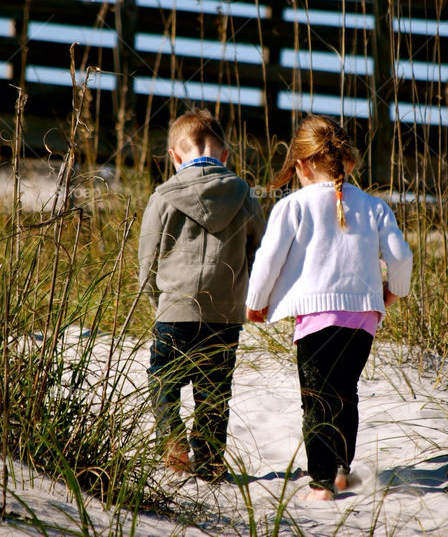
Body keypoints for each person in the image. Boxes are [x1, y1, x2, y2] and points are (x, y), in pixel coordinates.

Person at [245, 116, 412, 500]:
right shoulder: (374, 206)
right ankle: (341, 471)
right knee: (344, 393)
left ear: (301, 165)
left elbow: (268, 260)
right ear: (346, 163)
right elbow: (401, 257)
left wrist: (256, 304)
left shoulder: (292, 206)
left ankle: (322, 482)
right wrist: (392, 292)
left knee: (317, 399)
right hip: (364, 319)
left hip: (317, 320)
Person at [138, 108, 265, 481]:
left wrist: (156, 302)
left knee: (163, 377)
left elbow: (148, 260)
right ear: (225, 155)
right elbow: (262, 252)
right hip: (225, 315)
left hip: (174, 309)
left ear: (174, 156)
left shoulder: (163, 196)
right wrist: (246, 295)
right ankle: (210, 460)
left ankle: (172, 441)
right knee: (214, 389)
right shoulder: (245, 196)